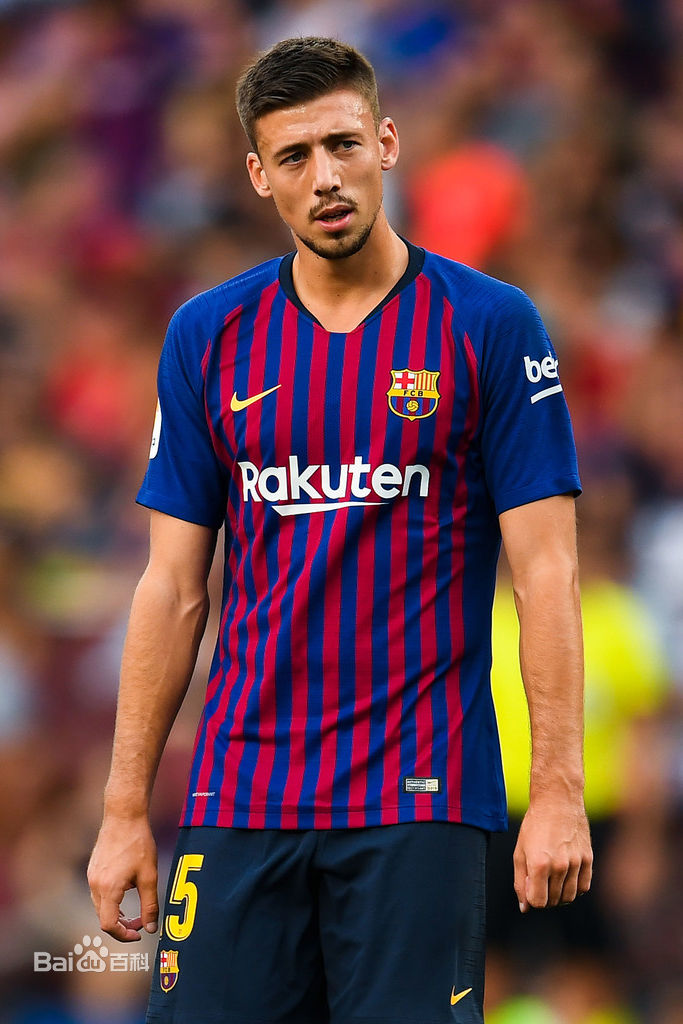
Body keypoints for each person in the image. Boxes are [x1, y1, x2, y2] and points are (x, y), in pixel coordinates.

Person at [87, 36, 593, 1024]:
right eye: (293, 156)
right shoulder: (206, 335)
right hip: (241, 793)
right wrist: (122, 810)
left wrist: (557, 789)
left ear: (385, 143)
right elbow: (173, 588)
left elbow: (546, 573)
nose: (323, 177)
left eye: (342, 145)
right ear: (258, 175)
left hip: (419, 799)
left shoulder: (490, 325)